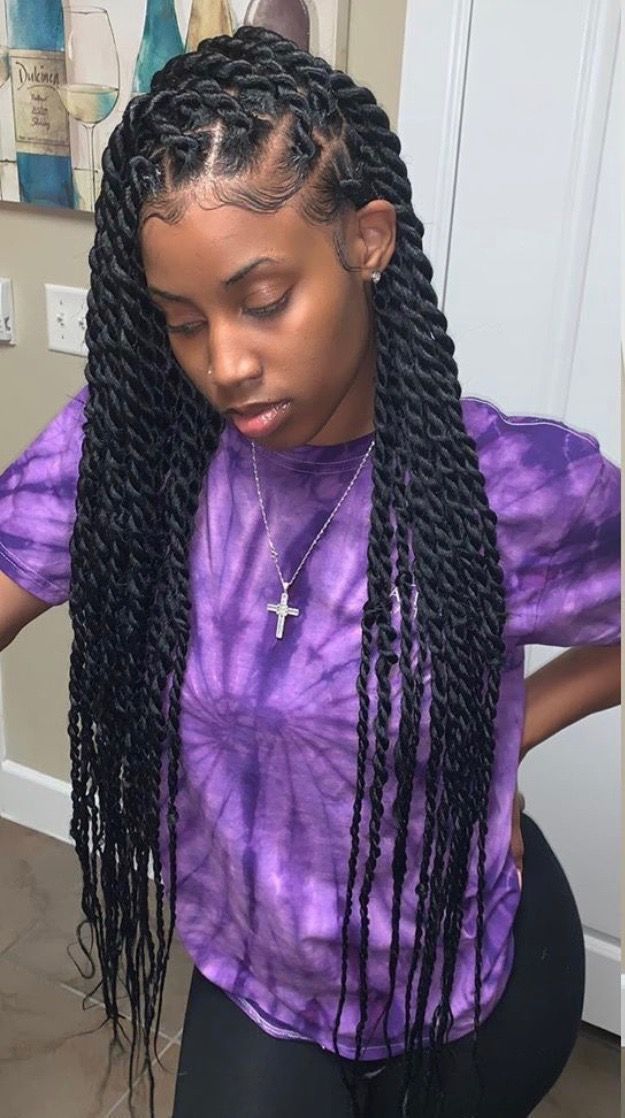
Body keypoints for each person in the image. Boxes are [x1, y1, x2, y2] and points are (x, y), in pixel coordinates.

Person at [0, 24, 620, 1118]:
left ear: (366, 240)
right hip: (260, 980)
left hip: (461, 984)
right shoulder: (136, 450)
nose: (225, 363)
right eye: (183, 322)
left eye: (263, 300)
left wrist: (512, 729)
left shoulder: (504, 488)